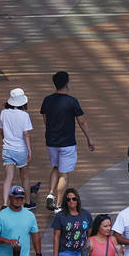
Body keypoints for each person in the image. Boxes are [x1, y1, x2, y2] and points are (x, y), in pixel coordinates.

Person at [41, 71, 95, 212]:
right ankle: (58, 205)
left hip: (51, 141)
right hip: (67, 143)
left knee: (55, 167)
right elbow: (82, 122)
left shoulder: (47, 100)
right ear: (66, 84)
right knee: (63, 174)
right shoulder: (72, 101)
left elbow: (45, 118)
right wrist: (89, 138)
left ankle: (50, 193)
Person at [0, 86, 34, 203]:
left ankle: (4, 203)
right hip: (21, 150)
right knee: (24, 176)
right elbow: (26, 134)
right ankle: (28, 202)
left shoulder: (4, 113)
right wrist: (29, 150)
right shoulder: (24, 116)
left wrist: (5, 139)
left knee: (8, 178)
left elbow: (1, 130)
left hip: (7, 149)